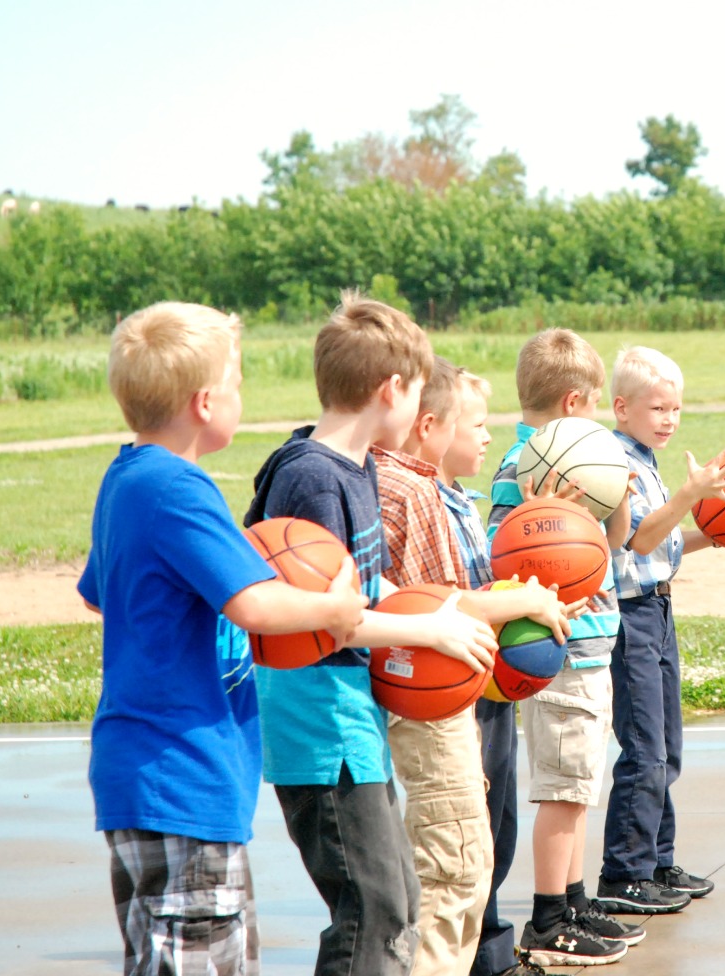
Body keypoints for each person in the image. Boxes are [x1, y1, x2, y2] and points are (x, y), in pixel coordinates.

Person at [79, 301, 364, 976]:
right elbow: (257, 605)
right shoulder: (179, 488)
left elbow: (100, 594)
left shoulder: (125, 479)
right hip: (181, 774)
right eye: (237, 385)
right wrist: (336, 608)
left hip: (148, 771)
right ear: (206, 403)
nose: (242, 398)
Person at [243, 292, 499, 976]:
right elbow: (328, 615)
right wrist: (432, 629)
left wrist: (446, 613)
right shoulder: (311, 479)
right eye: (418, 393)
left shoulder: (353, 469)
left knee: (399, 899)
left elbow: (358, 590)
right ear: (391, 390)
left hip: (350, 721)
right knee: (374, 909)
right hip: (317, 725)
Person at [375, 354, 575, 976]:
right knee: (457, 852)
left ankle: (481, 953)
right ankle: (475, 955)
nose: (490, 435)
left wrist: (534, 587)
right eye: (479, 424)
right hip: (440, 696)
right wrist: (520, 601)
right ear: (429, 426)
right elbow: (440, 604)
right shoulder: (412, 491)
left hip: (464, 685)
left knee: (480, 840)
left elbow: (469, 585)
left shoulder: (451, 495)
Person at [486, 330, 644, 968]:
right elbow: (503, 552)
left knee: (581, 782)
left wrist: (620, 493)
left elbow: (619, 541)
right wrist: (537, 515)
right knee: (561, 785)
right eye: (599, 408)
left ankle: (573, 898)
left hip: (593, 641)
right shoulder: (523, 471)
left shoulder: (586, 465)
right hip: (563, 647)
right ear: (575, 403)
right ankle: (550, 916)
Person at [597, 345, 725, 916]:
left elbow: (669, 540)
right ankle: (624, 873)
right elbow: (637, 541)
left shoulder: (648, 461)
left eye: (676, 410)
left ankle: (656, 858)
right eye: (658, 409)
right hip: (631, 616)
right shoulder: (614, 462)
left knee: (668, 745)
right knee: (645, 748)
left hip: (658, 609)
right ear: (622, 407)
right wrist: (689, 496)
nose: (669, 420)